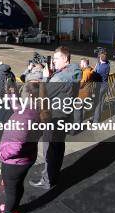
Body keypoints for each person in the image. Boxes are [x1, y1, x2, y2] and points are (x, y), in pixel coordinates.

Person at [29, 46, 81, 190]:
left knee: (49, 149)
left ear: (65, 59)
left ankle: (47, 180)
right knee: (58, 147)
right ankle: (53, 174)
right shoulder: (74, 72)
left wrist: (46, 78)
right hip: (65, 116)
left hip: (54, 118)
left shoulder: (60, 77)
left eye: (56, 59)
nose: (54, 62)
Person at [0, 80, 41, 213]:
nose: (20, 94)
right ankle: (11, 206)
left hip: (15, 161)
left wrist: (1, 154)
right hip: (28, 156)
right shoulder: (35, 109)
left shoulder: (24, 117)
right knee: (16, 185)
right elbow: (19, 108)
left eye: (22, 92)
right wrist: (11, 95)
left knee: (11, 188)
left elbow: (16, 146)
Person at [74, 58, 94, 127]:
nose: (80, 64)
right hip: (88, 92)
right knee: (84, 109)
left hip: (82, 94)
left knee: (77, 109)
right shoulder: (90, 69)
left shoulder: (86, 72)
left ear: (84, 63)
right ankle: (81, 122)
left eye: (81, 63)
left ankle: (77, 125)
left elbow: (81, 84)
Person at [92, 52, 110, 123]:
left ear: (100, 59)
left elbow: (95, 76)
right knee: (102, 101)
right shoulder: (107, 65)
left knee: (97, 103)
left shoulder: (100, 68)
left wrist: (95, 68)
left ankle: (95, 120)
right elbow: (106, 61)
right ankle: (99, 117)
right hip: (105, 85)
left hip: (100, 86)